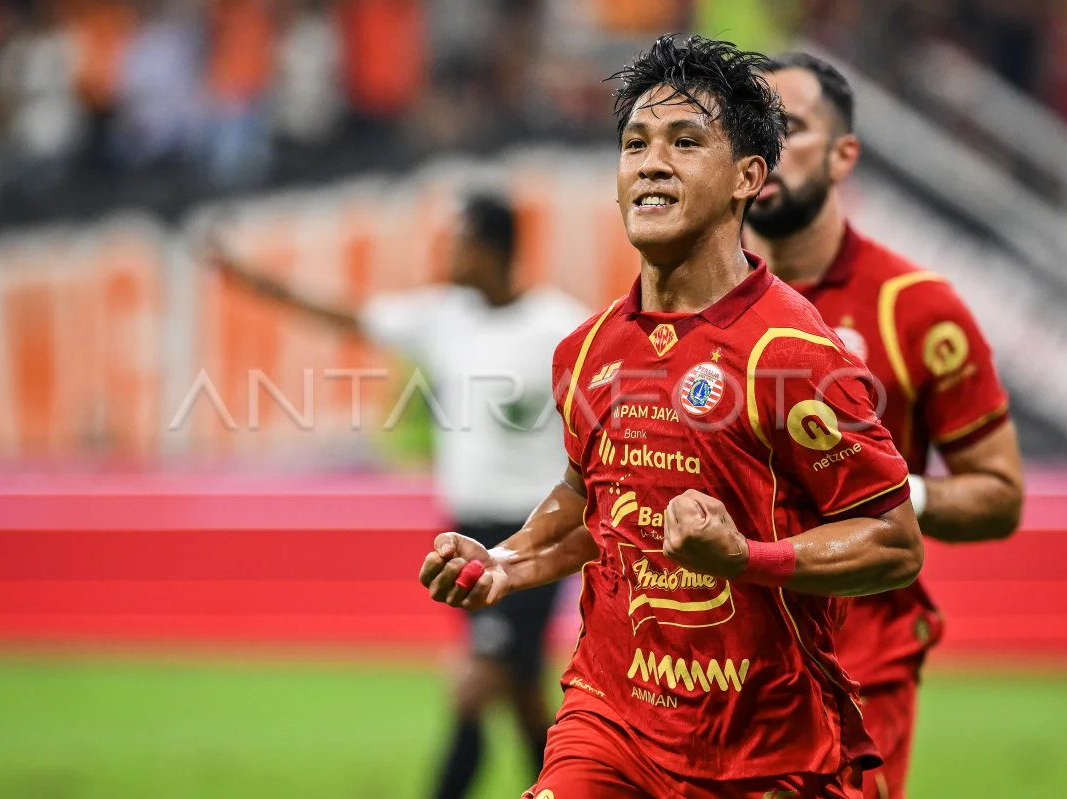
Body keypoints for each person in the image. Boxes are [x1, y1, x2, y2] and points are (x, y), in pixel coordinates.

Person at [419, 35, 925, 799]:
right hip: (611, 720)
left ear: (747, 178)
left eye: (685, 142)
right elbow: (592, 499)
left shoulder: (792, 355)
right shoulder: (587, 350)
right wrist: (507, 562)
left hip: (763, 744)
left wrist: (745, 557)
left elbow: (893, 541)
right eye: (636, 144)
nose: (651, 163)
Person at [207, 194, 590, 799]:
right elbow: (350, 317)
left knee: (473, 686)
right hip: (466, 530)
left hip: (531, 535)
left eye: (460, 241)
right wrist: (252, 280)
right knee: (519, 690)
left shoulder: (561, 328)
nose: (448, 253)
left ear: (492, 249)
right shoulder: (444, 318)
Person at [744, 53, 1025, 799]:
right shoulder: (691, 306)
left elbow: (1000, 495)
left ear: (844, 156)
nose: (766, 148)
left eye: (790, 128)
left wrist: (894, 495)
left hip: (858, 661)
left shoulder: (914, 307)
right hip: (721, 657)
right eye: (751, 128)